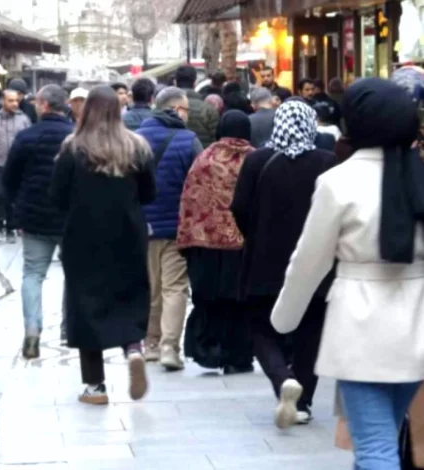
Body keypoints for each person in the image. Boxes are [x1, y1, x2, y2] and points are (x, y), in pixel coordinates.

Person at [271, 78, 424, 468]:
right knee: (382, 435)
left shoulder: (338, 182)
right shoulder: (418, 177)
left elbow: (309, 260)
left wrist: (284, 318)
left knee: (374, 446)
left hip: (361, 328)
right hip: (417, 327)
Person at [231, 99, 336, 429]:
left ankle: (282, 378)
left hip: (265, 261)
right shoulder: (327, 162)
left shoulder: (257, 161)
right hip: (316, 264)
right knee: (311, 330)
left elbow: (239, 208)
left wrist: (257, 234)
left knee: (261, 326)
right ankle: (302, 403)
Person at [50, 85, 155, 405]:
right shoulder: (137, 146)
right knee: (129, 293)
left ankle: (95, 387)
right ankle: (133, 349)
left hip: (83, 237)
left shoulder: (72, 148)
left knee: (86, 304)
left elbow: (56, 197)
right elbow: (150, 193)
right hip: (128, 234)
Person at [177, 110, 255, 375]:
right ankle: (239, 356)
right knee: (241, 302)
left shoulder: (205, 159)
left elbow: (190, 199)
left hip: (207, 245)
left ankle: (211, 351)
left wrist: (188, 239)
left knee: (211, 299)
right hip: (244, 245)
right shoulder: (256, 158)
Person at [4, 84, 73, 359]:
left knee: (33, 274)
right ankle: (70, 328)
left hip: (34, 218)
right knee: (74, 275)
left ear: (43, 105)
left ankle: (32, 331)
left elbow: (9, 179)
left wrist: (18, 209)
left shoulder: (26, 136)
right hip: (69, 219)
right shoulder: (75, 136)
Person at [136, 87, 203, 368]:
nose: (188, 115)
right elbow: (201, 183)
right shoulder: (189, 141)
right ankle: (169, 348)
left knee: (151, 287)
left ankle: (150, 344)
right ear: (176, 110)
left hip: (144, 226)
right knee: (175, 287)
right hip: (178, 226)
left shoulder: (136, 139)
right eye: (186, 110)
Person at [0, 89, 31, 243]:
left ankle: (11, 227)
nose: (15, 103)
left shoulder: (24, 119)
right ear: (3, 101)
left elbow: (30, 139)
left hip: (17, 166)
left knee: (12, 197)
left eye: (16, 100)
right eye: (10, 100)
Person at [174, 65, 219, 148]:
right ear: (194, 83)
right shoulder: (208, 109)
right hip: (202, 157)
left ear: (175, 83)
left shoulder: (166, 108)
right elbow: (216, 140)